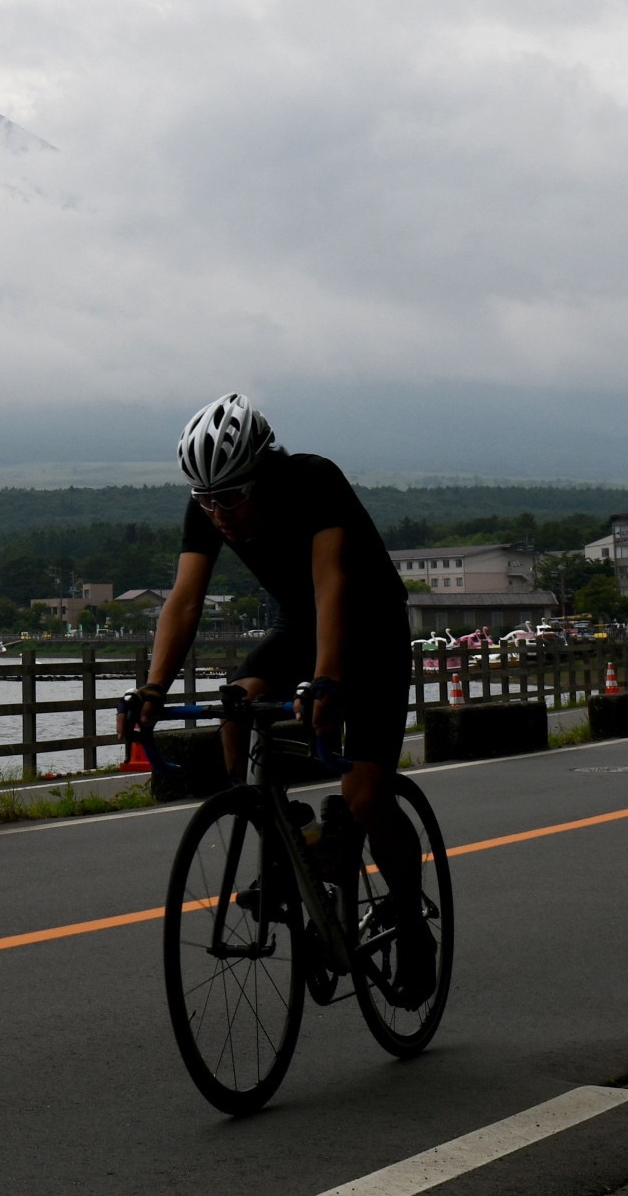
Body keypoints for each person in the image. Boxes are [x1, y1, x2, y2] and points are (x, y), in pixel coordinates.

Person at [127, 393, 435, 1005]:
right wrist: (152, 689)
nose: (219, 513)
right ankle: (279, 835)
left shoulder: (311, 481)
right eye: (206, 499)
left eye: (232, 497)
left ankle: (412, 926)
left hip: (368, 626)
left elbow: (332, 583)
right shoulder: (209, 506)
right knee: (238, 703)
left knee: (367, 795)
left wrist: (328, 682)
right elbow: (185, 601)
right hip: (302, 624)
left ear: (262, 472)